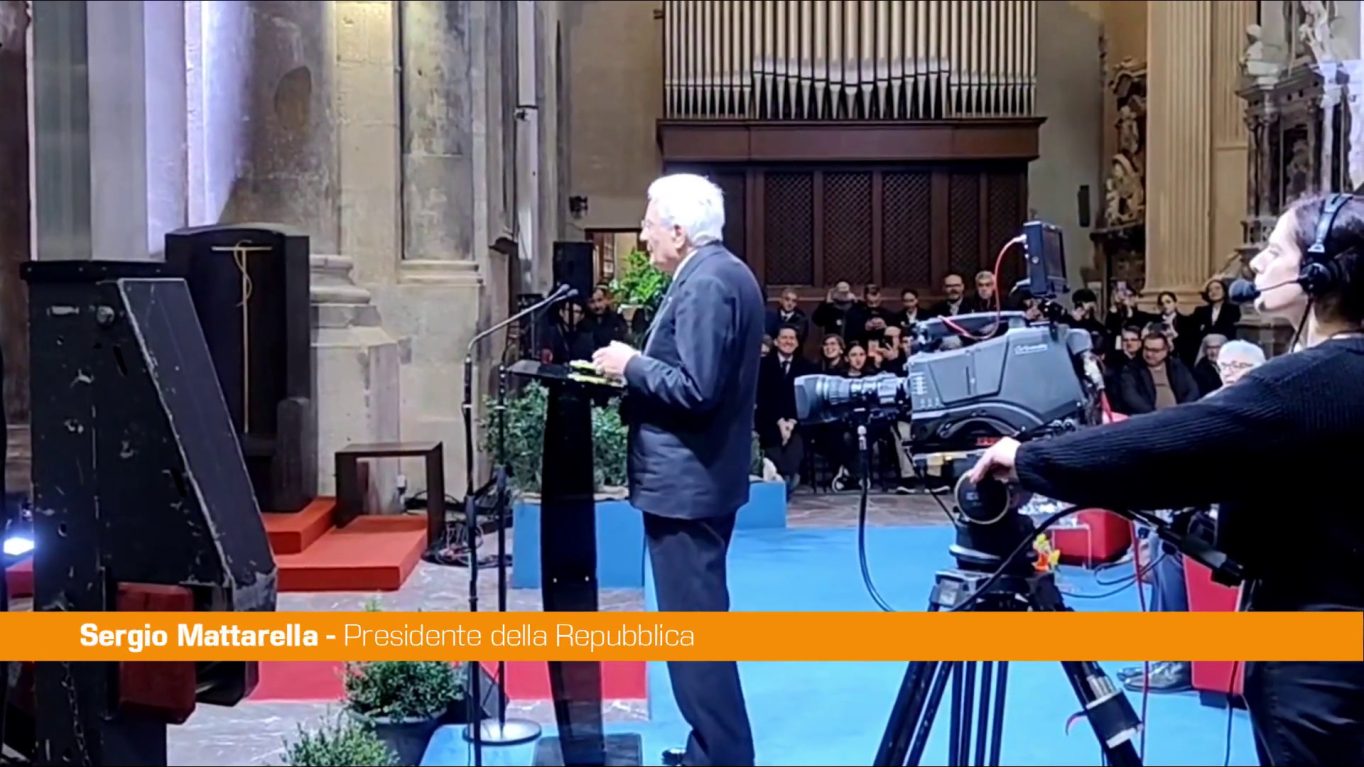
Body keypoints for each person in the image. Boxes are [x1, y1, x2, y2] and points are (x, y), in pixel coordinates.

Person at [967, 192, 1364, 765]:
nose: (1256, 262)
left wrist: (1029, 459)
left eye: (1275, 251)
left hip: (1321, 663)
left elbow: (1169, 449)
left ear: (1318, 273)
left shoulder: (1303, 384)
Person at [591, 173, 761, 767]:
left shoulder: (708, 282)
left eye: (649, 225)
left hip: (689, 487)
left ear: (680, 231)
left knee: (694, 635)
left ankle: (721, 756)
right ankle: (712, 749)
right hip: (699, 479)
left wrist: (630, 365)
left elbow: (696, 388)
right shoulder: (719, 273)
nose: (643, 236)